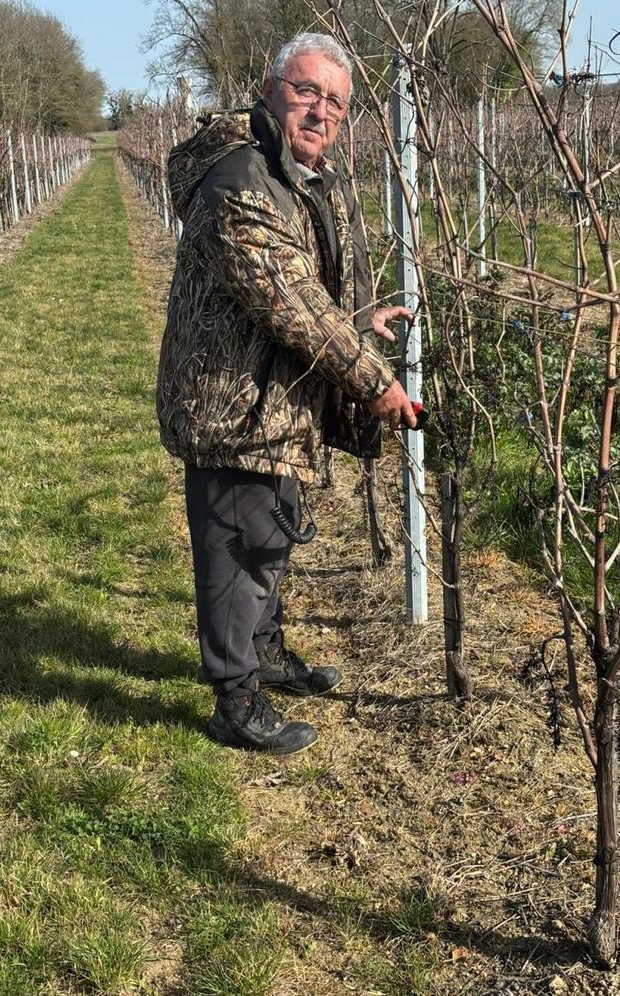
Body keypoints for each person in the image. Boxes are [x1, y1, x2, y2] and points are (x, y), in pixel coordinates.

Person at [157, 32, 416, 755]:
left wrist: (358, 323)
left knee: (268, 537)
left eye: (334, 101)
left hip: (271, 400)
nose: (319, 110)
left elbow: (297, 295)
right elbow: (289, 303)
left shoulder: (285, 173)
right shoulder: (240, 179)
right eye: (306, 91)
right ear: (270, 91)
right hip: (234, 407)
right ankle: (234, 697)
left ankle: (263, 653)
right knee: (237, 551)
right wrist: (375, 382)